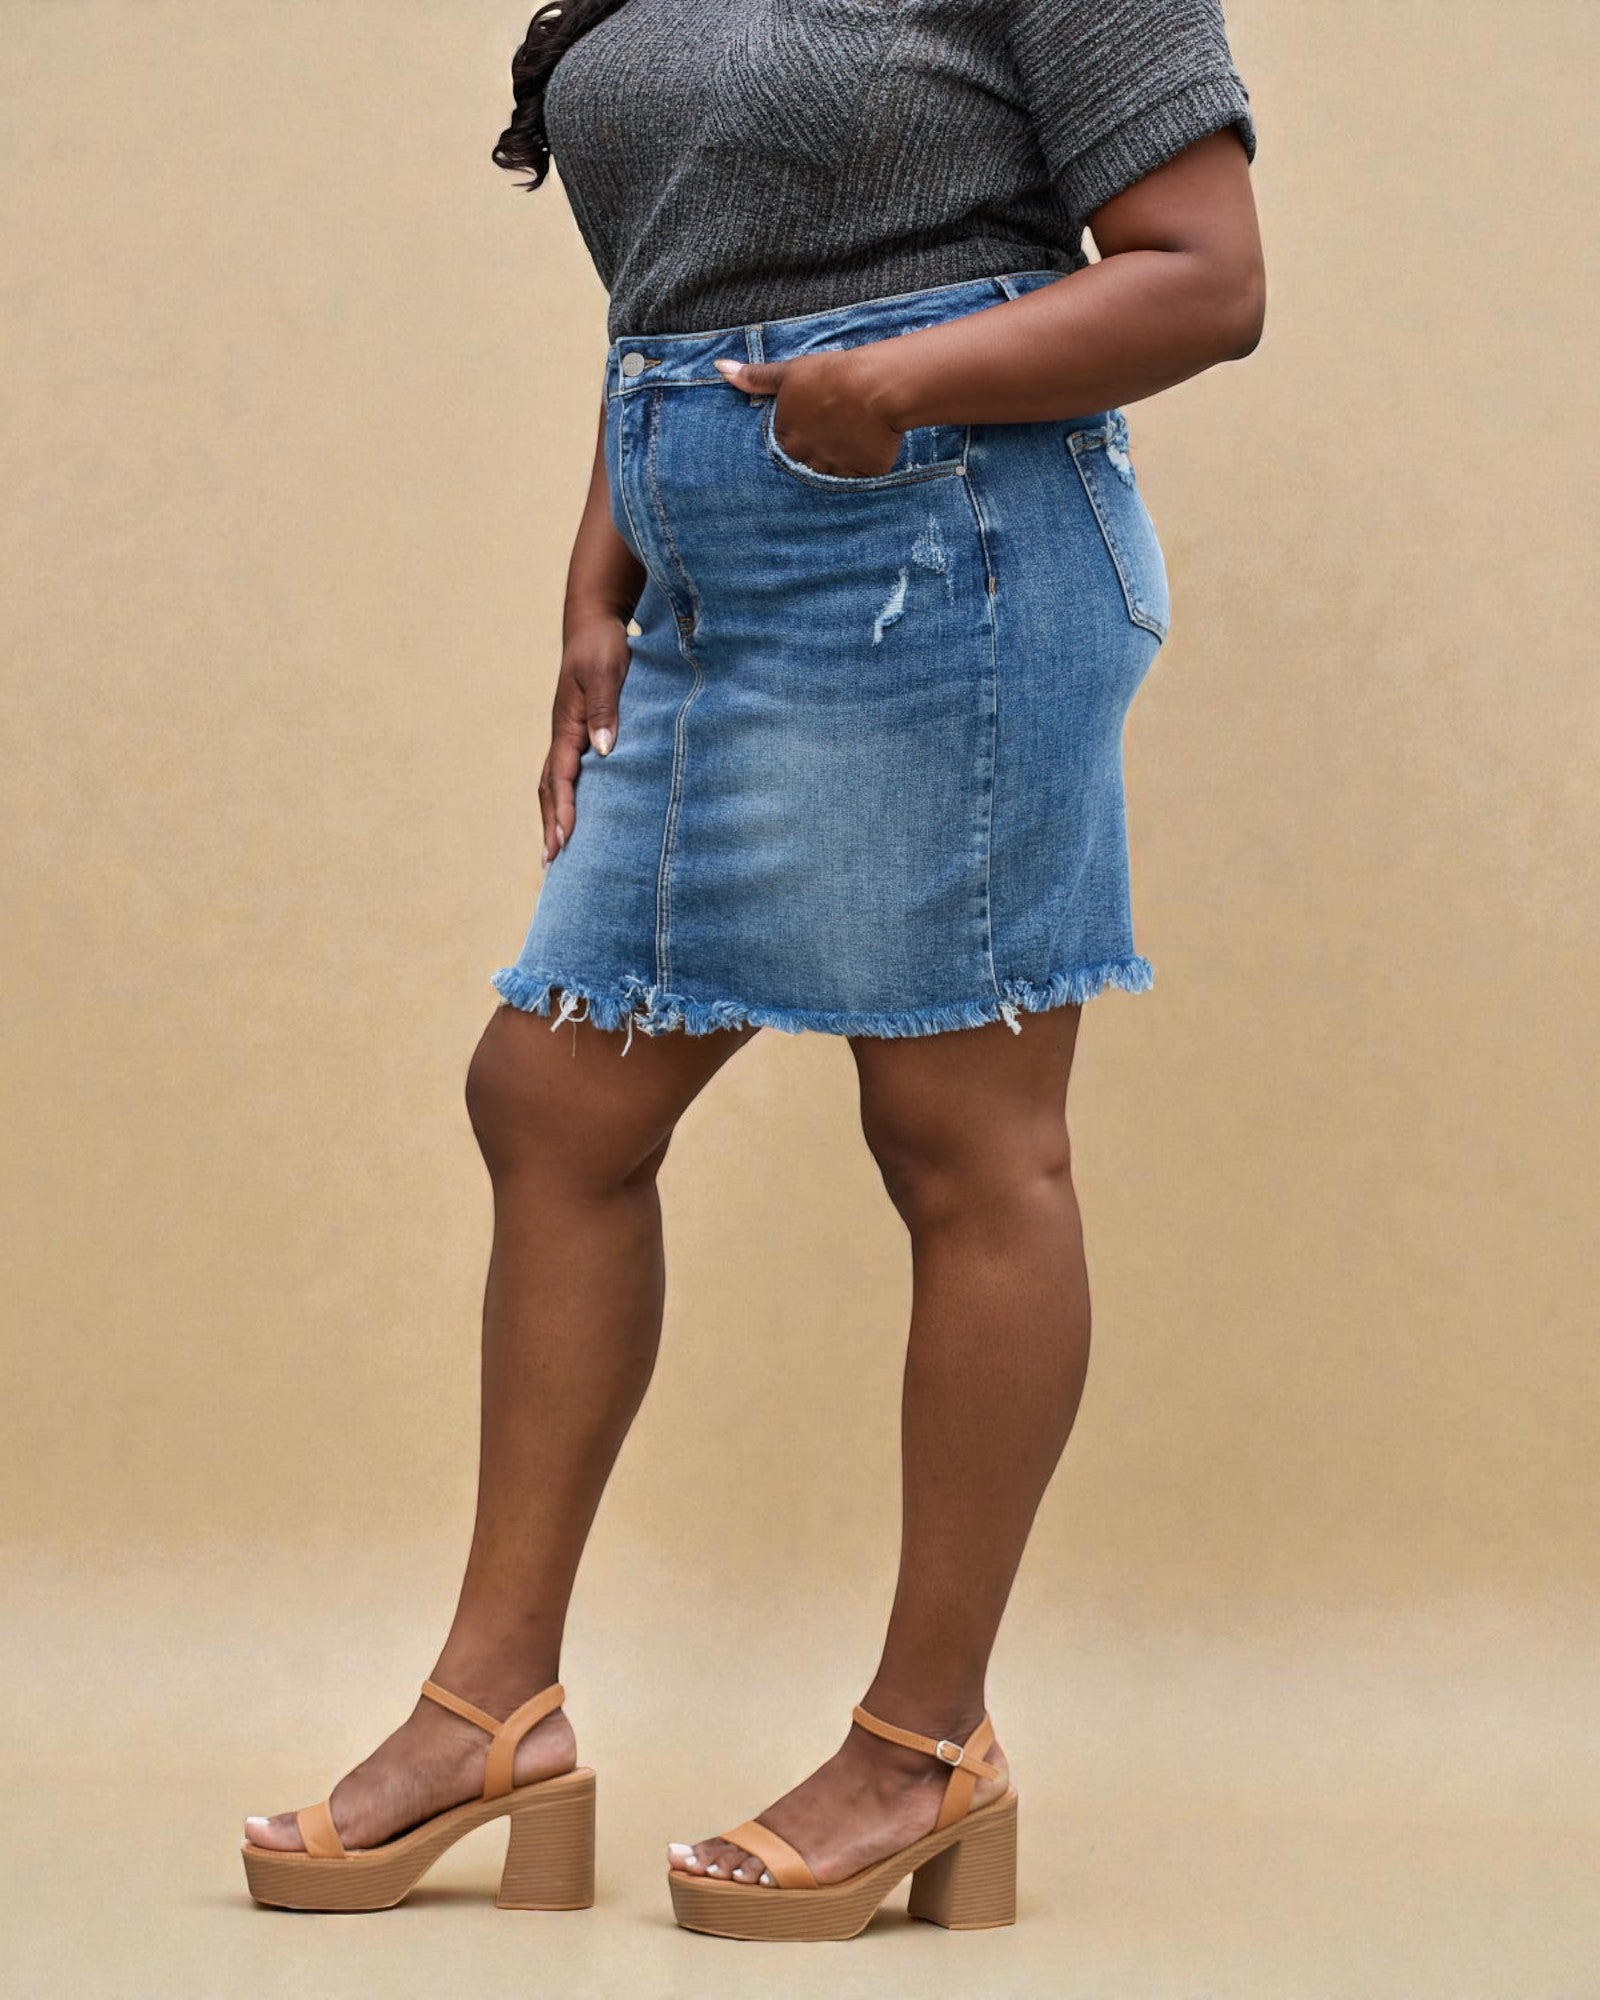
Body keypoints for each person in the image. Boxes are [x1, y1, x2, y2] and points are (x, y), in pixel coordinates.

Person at [242, 0, 1264, 1944]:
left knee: (959, 1141)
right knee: (550, 1094)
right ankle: (493, 1712)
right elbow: (678, 294)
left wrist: (889, 384)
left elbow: (1204, 278)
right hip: (711, 598)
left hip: (948, 560)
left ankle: (923, 1743)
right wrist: (597, 581)